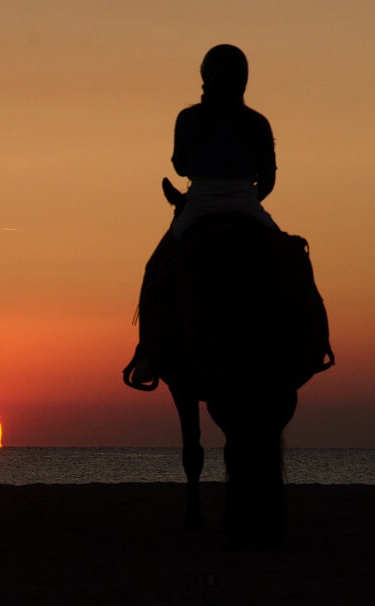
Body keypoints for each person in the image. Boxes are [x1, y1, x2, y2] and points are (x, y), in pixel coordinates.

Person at [124, 44, 279, 390]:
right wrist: (246, 199)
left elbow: (179, 166)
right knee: (295, 261)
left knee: (154, 270)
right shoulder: (257, 122)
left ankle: (147, 353)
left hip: (199, 204)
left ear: (207, 77)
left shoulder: (189, 118)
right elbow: (268, 180)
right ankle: (315, 344)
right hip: (247, 204)